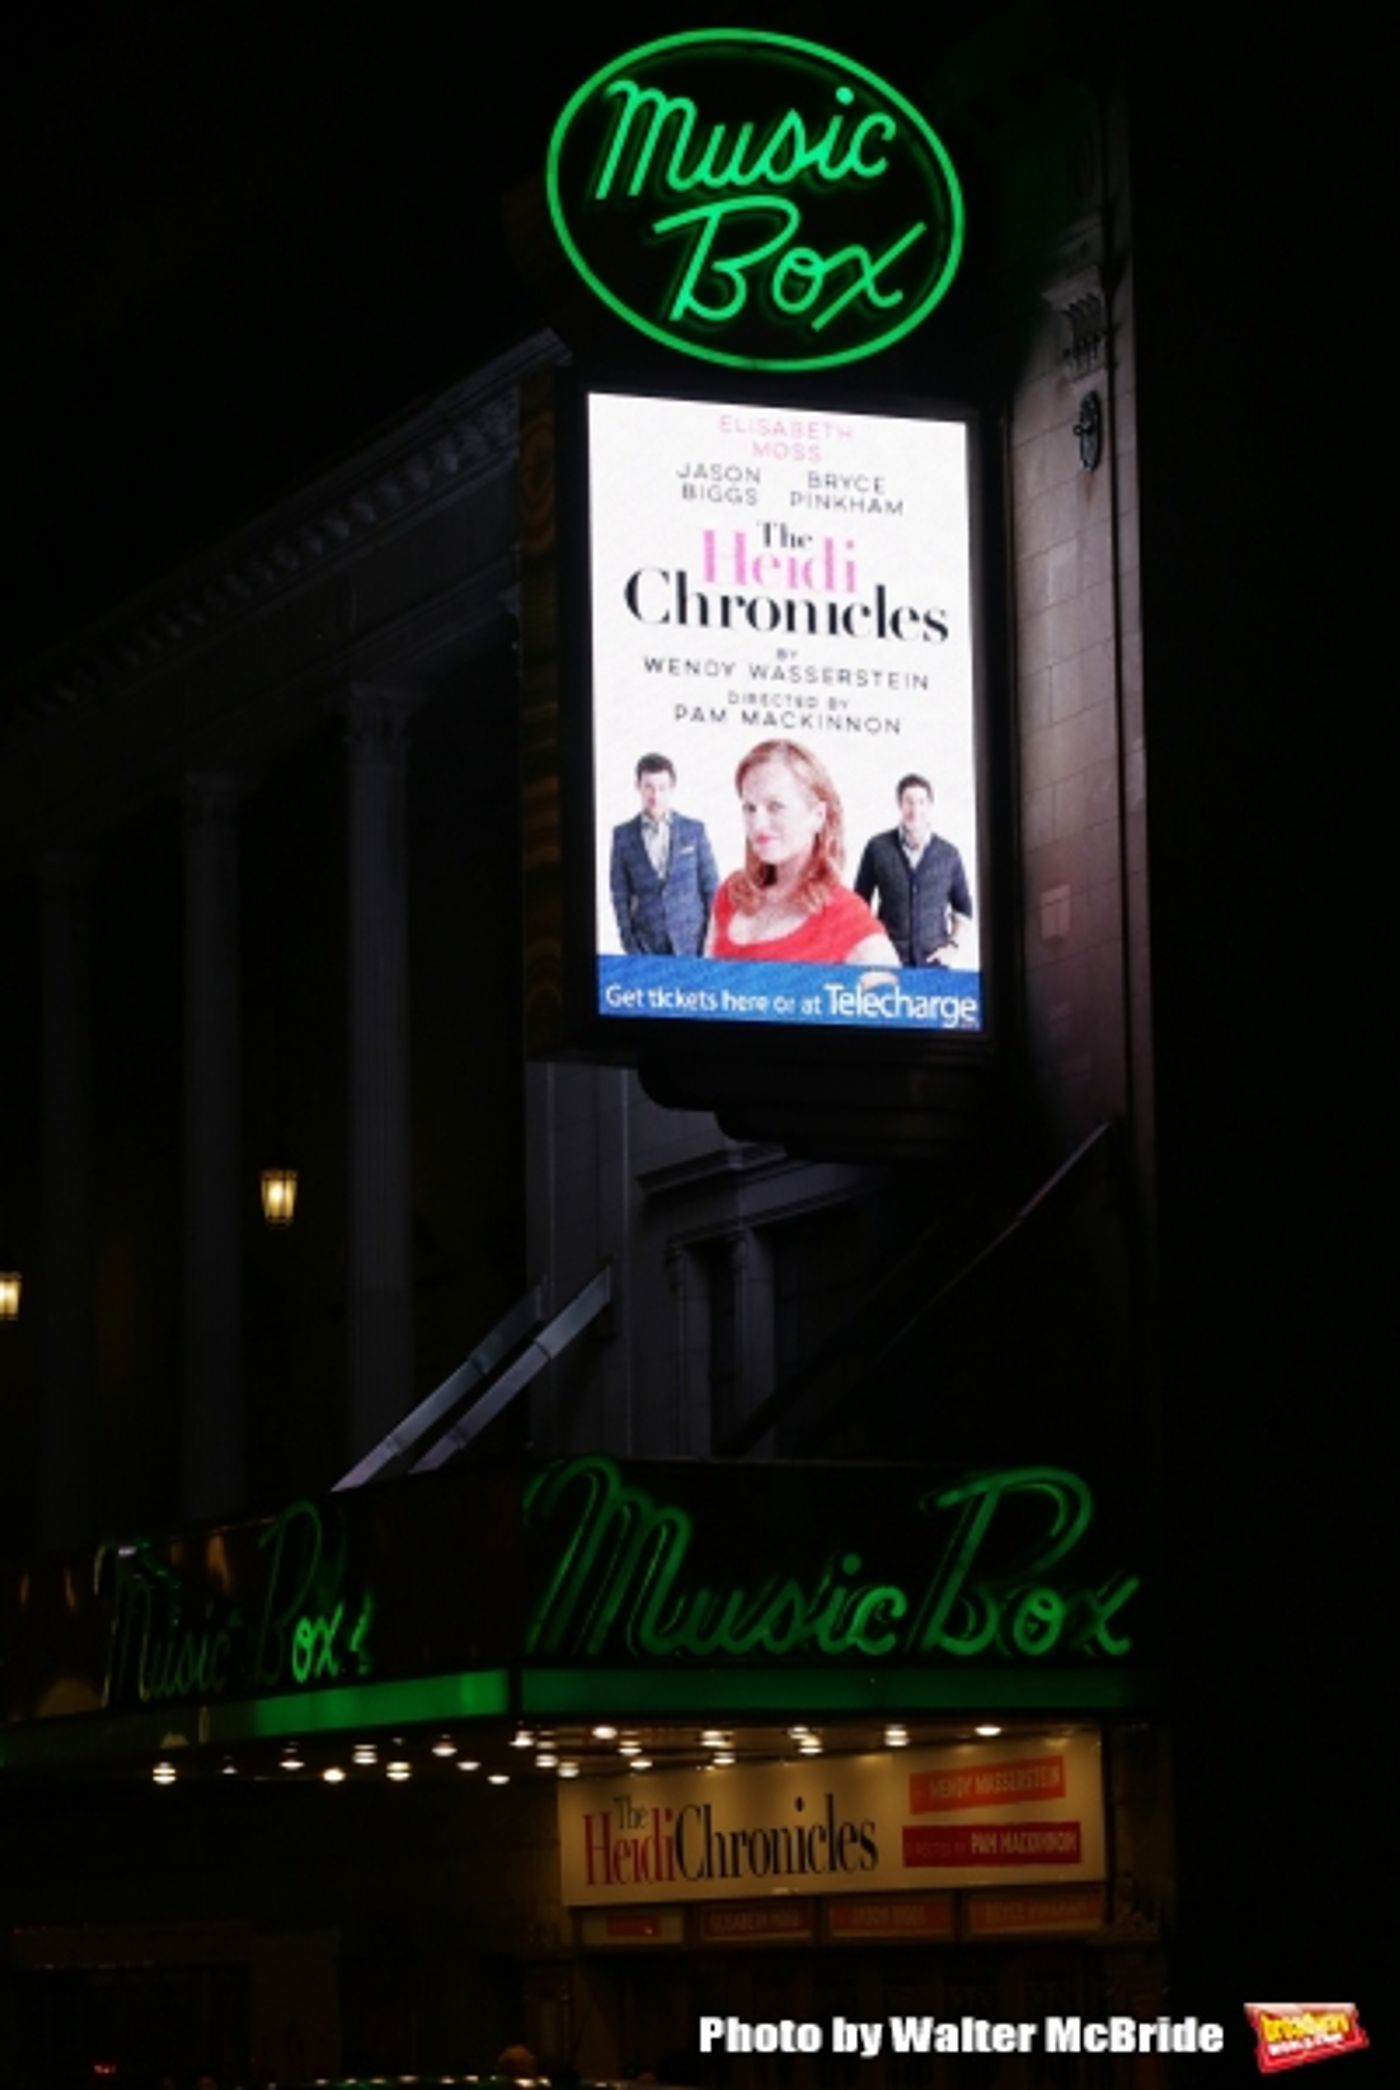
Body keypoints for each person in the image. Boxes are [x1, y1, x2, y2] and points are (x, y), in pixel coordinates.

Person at [707, 739, 899, 965]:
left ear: (817, 815)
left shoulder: (848, 917)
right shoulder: (732, 893)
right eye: (749, 808)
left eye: (775, 806)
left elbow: (897, 987)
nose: (757, 824)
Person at [853, 772, 973, 965]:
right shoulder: (877, 848)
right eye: (908, 802)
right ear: (899, 805)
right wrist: (873, 948)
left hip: (934, 965)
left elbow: (963, 909)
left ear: (930, 806)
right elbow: (859, 904)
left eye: (921, 802)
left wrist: (953, 947)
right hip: (889, 962)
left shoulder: (949, 854)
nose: (915, 810)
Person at [610, 753, 719, 956]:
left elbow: (711, 888)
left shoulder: (694, 831)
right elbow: (620, 894)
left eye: (662, 788)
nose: (655, 795)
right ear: (638, 786)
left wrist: (709, 942)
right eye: (649, 787)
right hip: (647, 946)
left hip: (693, 945)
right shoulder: (623, 835)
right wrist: (630, 943)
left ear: (671, 788)